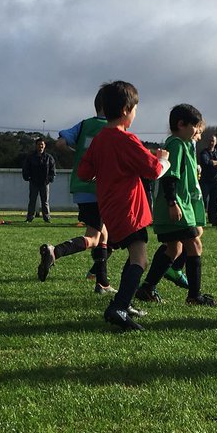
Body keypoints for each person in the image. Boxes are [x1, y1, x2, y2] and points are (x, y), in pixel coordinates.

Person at [76, 80, 169, 331]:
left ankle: (124, 304)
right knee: (140, 257)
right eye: (136, 108)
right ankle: (118, 306)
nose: (136, 113)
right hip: (129, 208)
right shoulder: (126, 139)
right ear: (127, 110)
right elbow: (153, 170)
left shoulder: (100, 139)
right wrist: (163, 159)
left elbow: (84, 172)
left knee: (136, 253)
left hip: (110, 207)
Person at [134, 103, 217, 307]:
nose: (197, 130)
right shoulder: (176, 145)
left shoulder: (182, 144)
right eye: (194, 126)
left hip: (179, 206)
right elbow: (169, 177)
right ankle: (194, 296)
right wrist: (173, 202)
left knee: (173, 248)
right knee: (194, 244)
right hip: (176, 206)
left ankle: (146, 288)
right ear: (181, 124)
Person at [38, 89, 113, 292]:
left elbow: (60, 142)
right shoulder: (112, 128)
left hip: (81, 186)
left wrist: (79, 153)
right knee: (95, 237)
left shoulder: (84, 124)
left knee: (104, 235)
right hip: (100, 189)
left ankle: (102, 282)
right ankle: (56, 251)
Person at [21, 137, 56, 222]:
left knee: (45, 202)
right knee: (32, 201)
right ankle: (29, 218)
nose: (40, 146)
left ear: (44, 146)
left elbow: (53, 169)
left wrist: (50, 179)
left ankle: (47, 218)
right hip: (34, 182)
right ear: (36, 146)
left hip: (45, 183)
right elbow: (25, 168)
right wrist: (27, 177)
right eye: (39, 144)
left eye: (42, 144)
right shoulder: (30, 157)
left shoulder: (49, 157)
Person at [198, 133, 217, 227]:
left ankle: (215, 221)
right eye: (210, 140)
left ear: (215, 142)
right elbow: (205, 162)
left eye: (213, 141)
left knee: (215, 202)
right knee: (203, 201)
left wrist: (216, 163)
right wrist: (215, 162)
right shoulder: (204, 152)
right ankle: (201, 221)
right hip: (205, 181)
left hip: (216, 181)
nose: (211, 142)